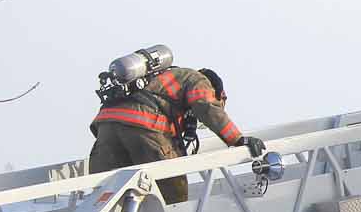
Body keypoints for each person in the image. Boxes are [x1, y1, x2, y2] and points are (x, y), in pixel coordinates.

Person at [90, 63, 265, 204]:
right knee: (173, 189)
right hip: (144, 125)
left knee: (107, 197)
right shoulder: (198, 79)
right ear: (218, 92)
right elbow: (207, 107)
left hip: (107, 126)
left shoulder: (160, 79)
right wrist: (237, 139)